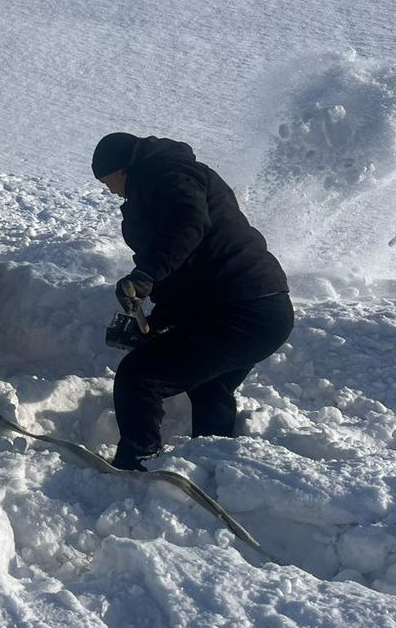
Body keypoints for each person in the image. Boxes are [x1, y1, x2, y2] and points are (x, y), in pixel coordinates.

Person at [92, 132, 294, 471]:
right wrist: (155, 322)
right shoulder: (169, 177)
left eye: (107, 181)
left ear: (122, 169)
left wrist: (146, 273)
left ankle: (137, 463)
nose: (110, 191)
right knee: (210, 388)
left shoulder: (168, 176)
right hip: (260, 308)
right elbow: (190, 267)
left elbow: (189, 224)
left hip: (243, 308)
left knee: (139, 377)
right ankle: (214, 466)